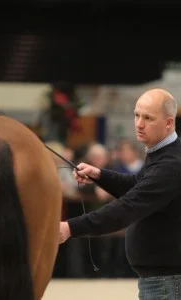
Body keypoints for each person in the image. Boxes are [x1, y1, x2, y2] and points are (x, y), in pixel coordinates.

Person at [59, 88, 181, 300]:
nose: (139, 124)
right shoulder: (161, 153)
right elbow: (136, 185)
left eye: (148, 118)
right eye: (137, 115)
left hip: (167, 283)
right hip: (163, 280)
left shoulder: (170, 165)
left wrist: (70, 227)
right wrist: (100, 175)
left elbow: (128, 207)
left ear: (169, 123)